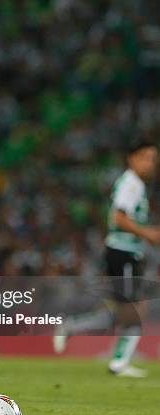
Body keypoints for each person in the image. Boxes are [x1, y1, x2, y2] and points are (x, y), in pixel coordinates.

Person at [54, 143, 159, 377]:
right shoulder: (131, 184)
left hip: (125, 251)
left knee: (127, 308)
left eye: (153, 159)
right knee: (135, 309)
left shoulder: (134, 184)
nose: (150, 163)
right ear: (131, 158)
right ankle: (118, 361)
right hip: (123, 252)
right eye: (145, 157)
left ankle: (78, 330)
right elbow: (118, 217)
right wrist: (148, 233)